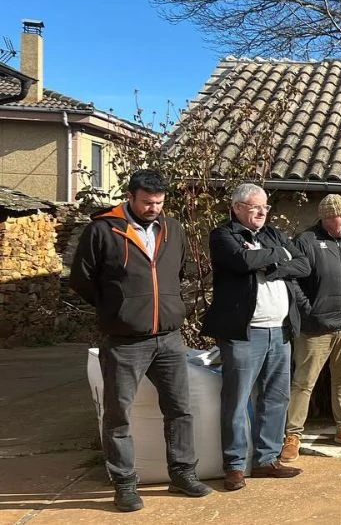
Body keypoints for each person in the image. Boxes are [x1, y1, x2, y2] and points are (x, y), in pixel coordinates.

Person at [69, 169, 213, 511]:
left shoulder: (172, 229)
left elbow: (178, 271)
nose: (154, 209)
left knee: (179, 409)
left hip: (169, 338)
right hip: (124, 342)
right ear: (130, 197)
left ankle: (182, 473)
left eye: (159, 203)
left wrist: (167, 307)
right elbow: (82, 280)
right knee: (119, 414)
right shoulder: (103, 230)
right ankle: (124, 484)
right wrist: (117, 308)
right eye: (147, 202)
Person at [204, 183, 309, 491]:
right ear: (237, 208)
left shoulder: (272, 233)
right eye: (255, 207)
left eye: (265, 207)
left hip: (280, 330)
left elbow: (302, 264)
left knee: (276, 397)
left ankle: (266, 459)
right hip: (243, 333)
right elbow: (242, 262)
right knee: (236, 400)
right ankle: (235, 465)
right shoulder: (223, 235)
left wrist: (272, 267)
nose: (263, 212)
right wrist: (278, 256)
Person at [282, 194, 341, 460]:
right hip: (315, 329)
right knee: (304, 382)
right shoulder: (306, 241)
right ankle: (292, 435)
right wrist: (309, 311)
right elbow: (293, 280)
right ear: (327, 217)